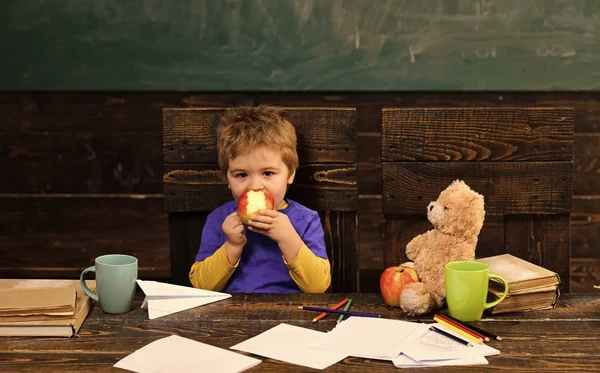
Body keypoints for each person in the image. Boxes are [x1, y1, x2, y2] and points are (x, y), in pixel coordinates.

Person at [189, 105, 331, 293]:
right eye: (241, 175)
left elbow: (318, 286)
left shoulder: (305, 220)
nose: (255, 186)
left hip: (290, 312)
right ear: (227, 180)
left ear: (290, 174)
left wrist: (288, 237)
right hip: (230, 313)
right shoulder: (220, 219)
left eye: (267, 173)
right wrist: (232, 245)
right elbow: (200, 285)